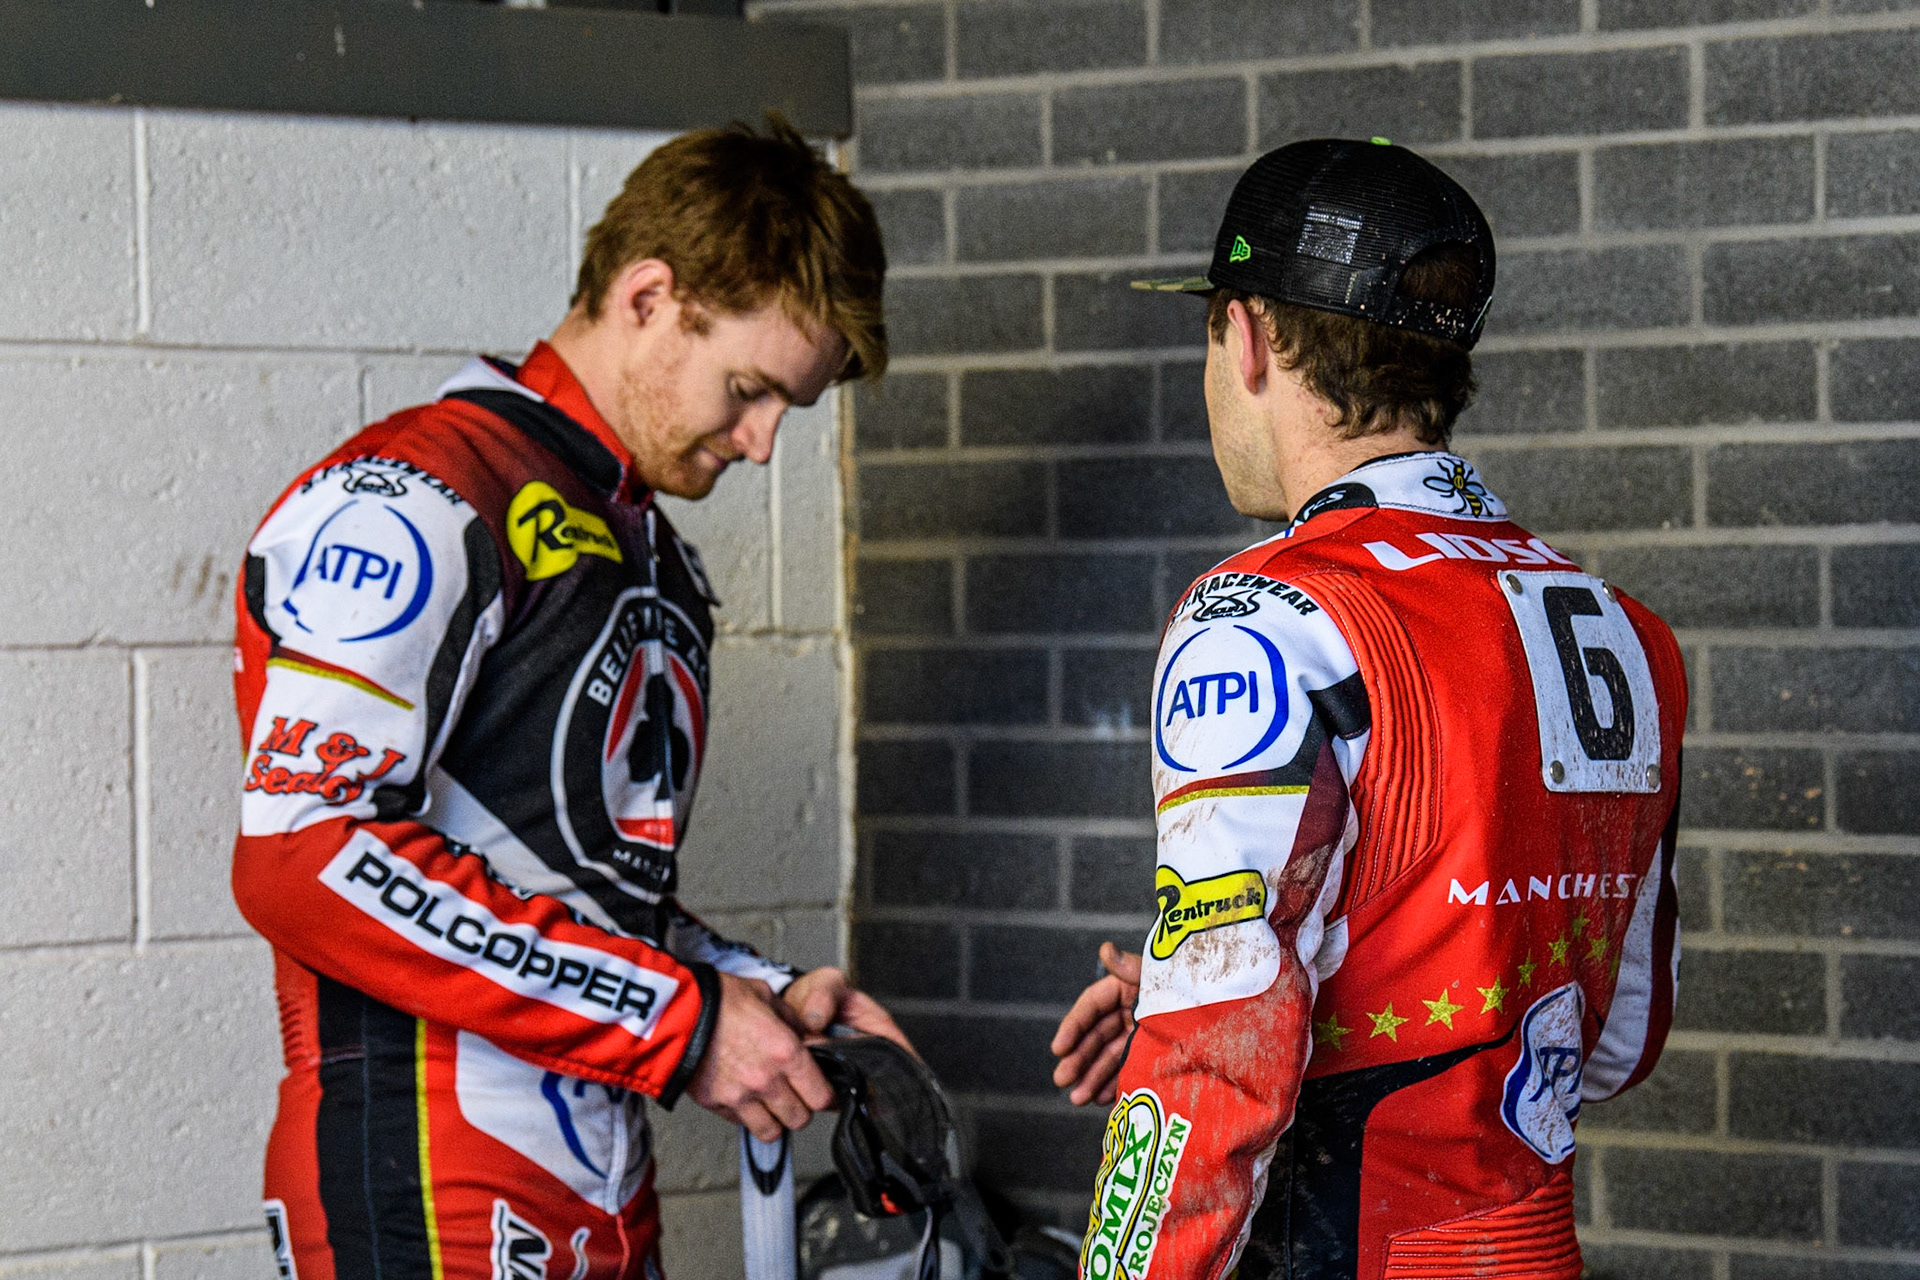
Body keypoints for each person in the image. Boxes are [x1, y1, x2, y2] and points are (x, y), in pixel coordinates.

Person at [230, 118, 907, 1280]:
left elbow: (577, 889)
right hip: (426, 1190)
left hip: (598, 1185)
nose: (761, 444)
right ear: (648, 296)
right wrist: (680, 1021)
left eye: (786, 409)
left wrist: (753, 994)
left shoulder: (654, 553)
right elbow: (306, 850)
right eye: (750, 390)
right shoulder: (416, 497)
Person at [1049, 138, 1686, 1280]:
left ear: (1245, 334)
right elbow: (1617, 1039)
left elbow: (1215, 1049)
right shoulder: (1624, 628)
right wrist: (1317, 989)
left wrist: (1222, 1000)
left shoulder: (1265, 610)